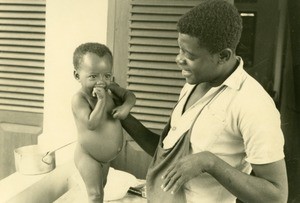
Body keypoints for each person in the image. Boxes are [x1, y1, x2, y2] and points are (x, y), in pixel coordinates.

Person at [116, 0, 288, 202]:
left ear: (223, 56)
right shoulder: (193, 84)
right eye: (180, 49)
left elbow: (276, 195)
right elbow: (167, 156)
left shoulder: (254, 105)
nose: (178, 59)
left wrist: (210, 162)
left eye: (189, 55)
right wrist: (122, 116)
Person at [71, 42, 136, 203]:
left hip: (106, 158)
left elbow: (130, 95)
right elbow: (91, 124)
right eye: (93, 76)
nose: (101, 81)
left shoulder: (111, 88)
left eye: (106, 75)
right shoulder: (80, 99)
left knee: (102, 187)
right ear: (77, 76)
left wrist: (126, 107)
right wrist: (101, 100)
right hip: (89, 156)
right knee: (95, 195)